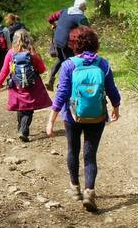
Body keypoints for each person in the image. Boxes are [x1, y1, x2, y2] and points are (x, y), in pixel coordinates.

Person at [46, 26, 121, 212]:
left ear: (73, 45)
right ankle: (89, 191)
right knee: (90, 155)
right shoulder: (103, 64)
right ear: (95, 44)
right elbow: (112, 89)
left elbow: (62, 93)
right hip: (97, 116)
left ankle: (75, 188)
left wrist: (51, 119)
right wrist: (116, 107)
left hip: (72, 116)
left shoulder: (68, 65)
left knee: (73, 149)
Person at [0, 29, 52, 142]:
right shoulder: (32, 53)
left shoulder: (11, 53)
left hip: (16, 85)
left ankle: (20, 128)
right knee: (29, 109)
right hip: (32, 85)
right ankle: (23, 130)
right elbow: (42, 69)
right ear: (28, 39)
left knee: (20, 107)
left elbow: (4, 70)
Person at [46, 0, 90, 90]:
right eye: (85, 7)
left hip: (57, 40)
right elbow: (88, 32)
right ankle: (62, 83)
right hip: (67, 43)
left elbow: (50, 18)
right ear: (81, 7)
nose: (85, 9)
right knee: (69, 62)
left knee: (61, 59)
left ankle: (50, 79)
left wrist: (53, 24)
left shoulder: (64, 11)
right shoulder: (80, 17)